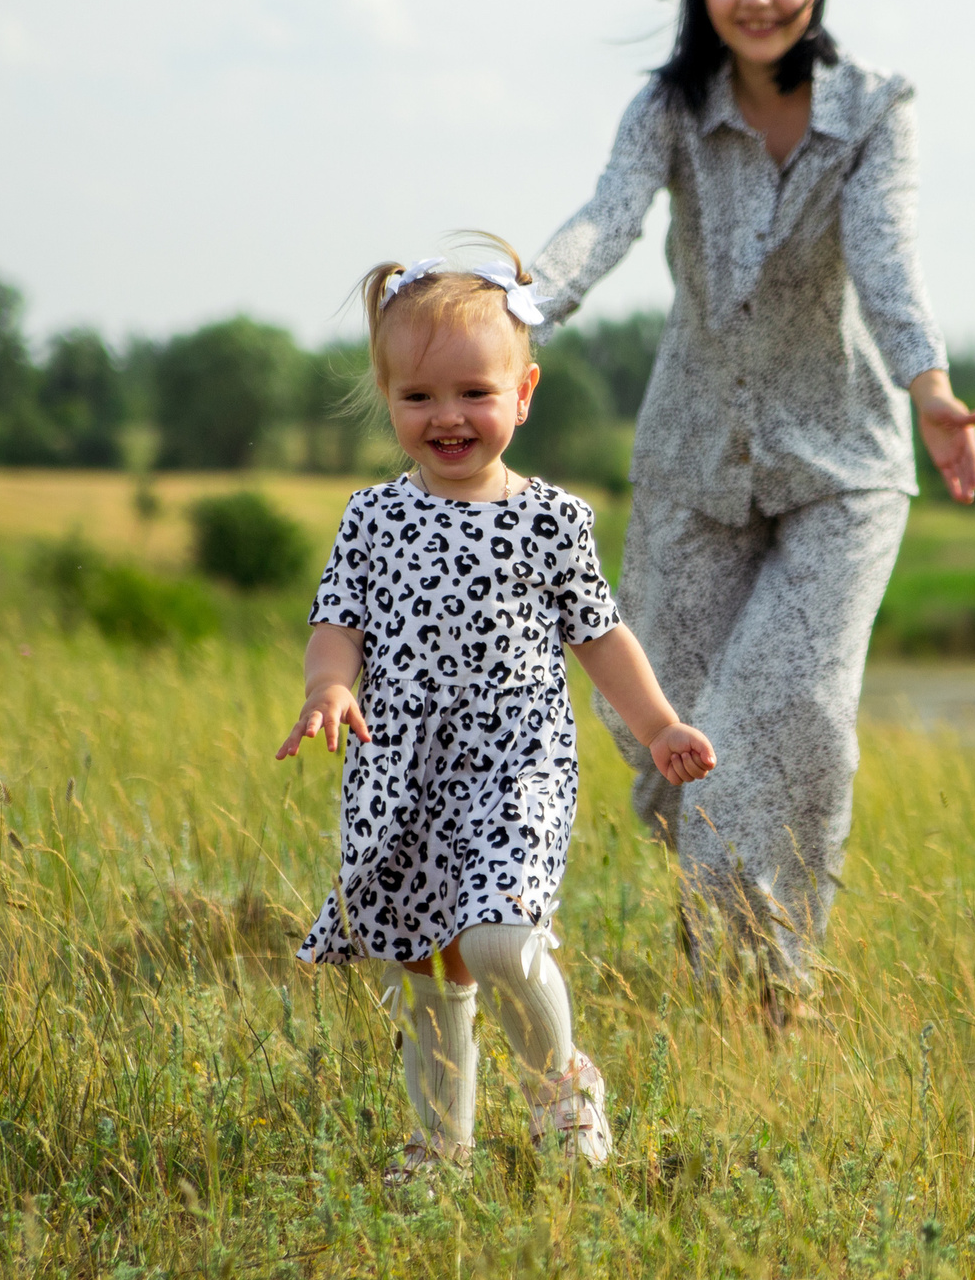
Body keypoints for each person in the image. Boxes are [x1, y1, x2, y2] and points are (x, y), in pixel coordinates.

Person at [528, 0, 975, 1018]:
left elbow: (886, 257)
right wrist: (514, 304)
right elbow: (607, 216)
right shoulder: (670, 107)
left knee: (788, 708)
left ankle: (772, 986)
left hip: (843, 462)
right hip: (693, 454)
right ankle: (726, 939)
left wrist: (928, 386)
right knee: (661, 723)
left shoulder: (876, 108)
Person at [277, 241, 717, 1186]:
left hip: (515, 761)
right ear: (389, 398)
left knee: (501, 937)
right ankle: (442, 1148)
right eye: (419, 397)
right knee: (433, 975)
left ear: (522, 393)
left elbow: (600, 638)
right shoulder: (371, 517)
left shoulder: (551, 518)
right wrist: (329, 688)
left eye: (474, 392)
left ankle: (564, 1088)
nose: (448, 418)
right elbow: (336, 625)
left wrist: (661, 727)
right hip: (400, 771)